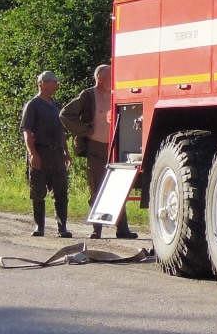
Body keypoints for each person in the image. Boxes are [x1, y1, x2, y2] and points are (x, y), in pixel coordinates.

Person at [60, 64, 137, 240]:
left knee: (119, 186)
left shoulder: (116, 93)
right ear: (100, 78)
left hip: (116, 147)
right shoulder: (88, 96)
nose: (114, 79)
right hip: (96, 148)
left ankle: (122, 228)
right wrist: (85, 131)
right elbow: (65, 114)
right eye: (110, 76)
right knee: (97, 188)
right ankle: (97, 229)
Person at [20, 71, 72, 238]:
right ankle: (39, 227)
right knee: (38, 190)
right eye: (53, 82)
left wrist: (66, 152)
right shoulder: (33, 105)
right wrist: (33, 154)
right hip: (40, 152)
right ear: (43, 84)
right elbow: (27, 132)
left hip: (56, 154)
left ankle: (62, 227)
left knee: (61, 191)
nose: (56, 85)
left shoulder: (55, 105)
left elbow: (61, 132)